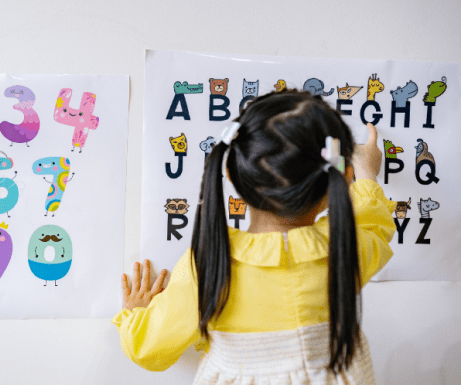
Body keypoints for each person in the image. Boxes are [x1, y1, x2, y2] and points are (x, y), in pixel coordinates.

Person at [113, 90, 396, 384]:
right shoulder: (345, 248)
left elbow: (147, 348)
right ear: (339, 176)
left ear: (231, 174)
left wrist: (134, 315)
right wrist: (366, 171)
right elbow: (374, 226)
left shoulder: (210, 265)